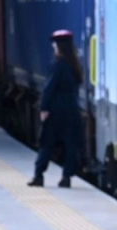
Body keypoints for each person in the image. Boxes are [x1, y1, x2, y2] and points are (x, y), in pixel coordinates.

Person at [29, 29, 85, 188]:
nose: (54, 47)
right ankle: (66, 178)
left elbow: (49, 88)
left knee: (46, 143)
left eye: (55, 45)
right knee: (70, 145)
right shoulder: (75, 66)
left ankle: (38, 176)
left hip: (55, 110)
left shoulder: (58, 65)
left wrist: (43, 108)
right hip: (72, 109)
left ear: (59, 47)